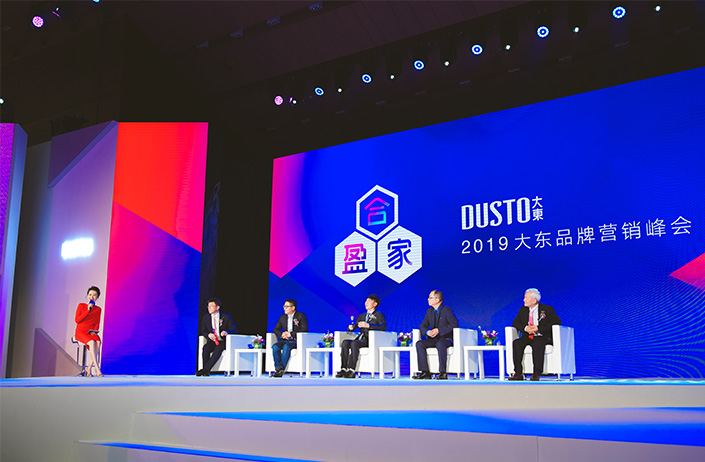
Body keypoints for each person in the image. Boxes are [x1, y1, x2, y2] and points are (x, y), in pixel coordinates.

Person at [508, 288, 562, 382]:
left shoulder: (547, 309)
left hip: (542, 336)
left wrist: (538, 328)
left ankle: (536, 373)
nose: (524, 300)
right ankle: (518, 373)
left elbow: (557, 321)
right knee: (516, 343)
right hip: (527, 336)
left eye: (526, 298)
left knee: (538, 344)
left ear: (534, 300)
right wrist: (526, 328)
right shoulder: (523, 310)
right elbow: (515, 322)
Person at [336, 294, 386, 378]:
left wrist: (369, 326)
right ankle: (343, 369)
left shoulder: (379, 315)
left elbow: (383, 326)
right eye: (366, 301)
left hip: (369, 340)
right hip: (360, 338)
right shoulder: (362, 316)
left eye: (369, 301)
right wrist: (350, 328)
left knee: (354, 343)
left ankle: (351, 370)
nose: (366, 303)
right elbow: (354, 326)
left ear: (375, 304)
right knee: (345, 342)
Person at [413, 290, 458, 380]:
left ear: (437, 300)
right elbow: (422, 325)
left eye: (430, 297)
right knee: (419, 344)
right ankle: (425, 372)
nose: (428, 299)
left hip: (445, 338)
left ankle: (442, 373)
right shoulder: (429, 311)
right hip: (434, 339)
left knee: (440, 344)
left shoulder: (446, 310)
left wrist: (439, 330)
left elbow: (454, 325)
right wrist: (427, 332)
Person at [197, 298, 237, 376]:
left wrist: (226, 332)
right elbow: (203, 331)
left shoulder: (225, 317)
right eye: (208, 306)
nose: (209, 308)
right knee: (206, 348)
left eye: (211, 306)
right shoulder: (206, 318)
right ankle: (206, 371)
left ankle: (205, 370)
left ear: (217, 307)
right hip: (212, 341)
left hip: (222, 341)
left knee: (218, 349)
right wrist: (208, 334)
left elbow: (234, 329)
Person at [271, 299, 308, 377]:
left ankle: (282, 370)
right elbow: (275, 329)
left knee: (286, 347)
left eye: (287, 306)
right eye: (284, 306)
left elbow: (304, 330)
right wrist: (282, 334)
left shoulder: (300, 316)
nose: (284, 308)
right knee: (275, 346)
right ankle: (278, 368)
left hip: (296, 341)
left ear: (293, 308)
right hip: (286, 340)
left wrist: (291, 334)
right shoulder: (283, 317)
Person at [74, 286, 103, 377]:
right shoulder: (81, 306)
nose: (92, 297)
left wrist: (95, 331)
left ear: (97, 297)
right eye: (90, 295)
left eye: (94, 295)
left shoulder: (98, 309)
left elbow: (97, 323)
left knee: (98, 342)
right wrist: (87, 310)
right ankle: (97, 369)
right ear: (87, 296)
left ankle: (89, 368)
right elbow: (77, 320)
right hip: (81, 331)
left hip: (90, 332)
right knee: (91, 342)